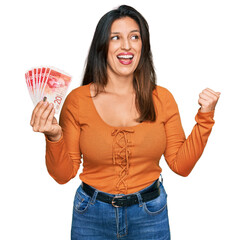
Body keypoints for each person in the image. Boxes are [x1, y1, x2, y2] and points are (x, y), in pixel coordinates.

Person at [30, 5, 220, 240]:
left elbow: (181, 166)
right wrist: (54, 137)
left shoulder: (162, 99)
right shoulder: (77, 101)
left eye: (134, 37)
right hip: (90, 216)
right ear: (103, 46)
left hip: (150, 214)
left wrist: (205, 117)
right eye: (115, 38)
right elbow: (63, 175)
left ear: (143, 45)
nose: (127, 45)